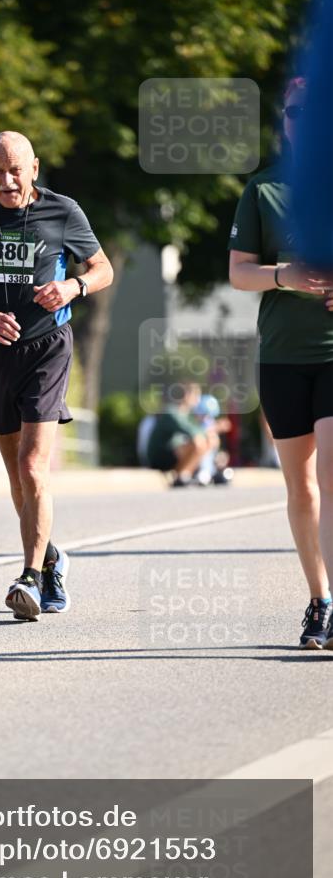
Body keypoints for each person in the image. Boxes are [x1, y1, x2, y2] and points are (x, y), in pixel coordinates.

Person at [0, 130, 113, 620]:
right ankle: (52, 558)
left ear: (34, 168)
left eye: (16, 170)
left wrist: (73, 286)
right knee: (16, 473)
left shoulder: (62, 211)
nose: (7, 180)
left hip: (47, 347)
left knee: (35, 466)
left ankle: (30, 578)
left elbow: (104, 269)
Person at [229, 78, 333, 650]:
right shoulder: (263, 190)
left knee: (331, 478)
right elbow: (239, 272)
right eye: (294, 111)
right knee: (302, 489)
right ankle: (319, 601)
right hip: (282, 358)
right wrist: (282, 276)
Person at [145, 382, 216, 487]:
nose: (198, 400)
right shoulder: (171, 413)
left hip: (175, 453)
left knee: (210, 440)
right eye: (196, 396)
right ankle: (182, 475)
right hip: (161, 457)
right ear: (186, 395)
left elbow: (200, 431)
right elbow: (192, 432)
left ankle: (191, 474)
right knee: (198, 442)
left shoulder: (187, 415)